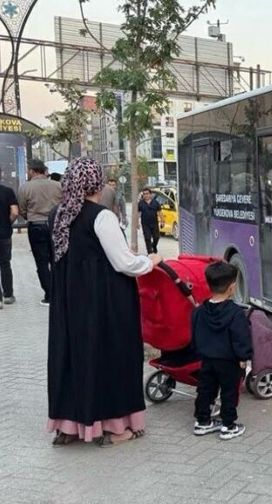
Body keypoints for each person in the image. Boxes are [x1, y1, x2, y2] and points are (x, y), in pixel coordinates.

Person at [47, 157, 160, 446]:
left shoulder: (58, 215)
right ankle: (116, 427)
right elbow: (124, 263)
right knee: (112, 357)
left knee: (73, 357)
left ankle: (71, 427)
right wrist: (150, 261)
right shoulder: (101, 216)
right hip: (104, 302)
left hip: (69, 302)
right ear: (95, 182)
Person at [191, 261, 253, 440]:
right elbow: (241, 338)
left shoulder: (199, 311)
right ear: (232, 287)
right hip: (229, 361)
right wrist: (244, 357)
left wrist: (199, 351)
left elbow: (195, 333)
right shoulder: (235, 314)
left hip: (207, 359)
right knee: (229, 392)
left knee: (205, 389)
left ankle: (202, 422)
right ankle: (228, 425)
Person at [18, 159, 62, 306]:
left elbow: (22, 209)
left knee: (42, 262)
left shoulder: (25, 188)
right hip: (56, 225)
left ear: (32, 170)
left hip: (36, 226)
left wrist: (30, 216)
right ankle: (60, 292)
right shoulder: (58, 185)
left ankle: (49, 295)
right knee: (57, 260)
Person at [0, 178, 19, 307]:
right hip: (4, 233)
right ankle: (8, 295)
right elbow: (15, 212)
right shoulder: (7, 191)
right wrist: (8, 223)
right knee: (5, 264)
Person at [138, 187, 162, 254]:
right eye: (144, 194)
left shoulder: (155, 202)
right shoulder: (140, 203)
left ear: (150, 194)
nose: (146, 195)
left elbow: (160, 212)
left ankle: (154, 246)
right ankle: (150, 252)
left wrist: (162, 221)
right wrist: (137, 222)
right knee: (147, 238)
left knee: (156, 237)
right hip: (145, 224)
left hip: (154, 223)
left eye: (147, 193)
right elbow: (139, 213)